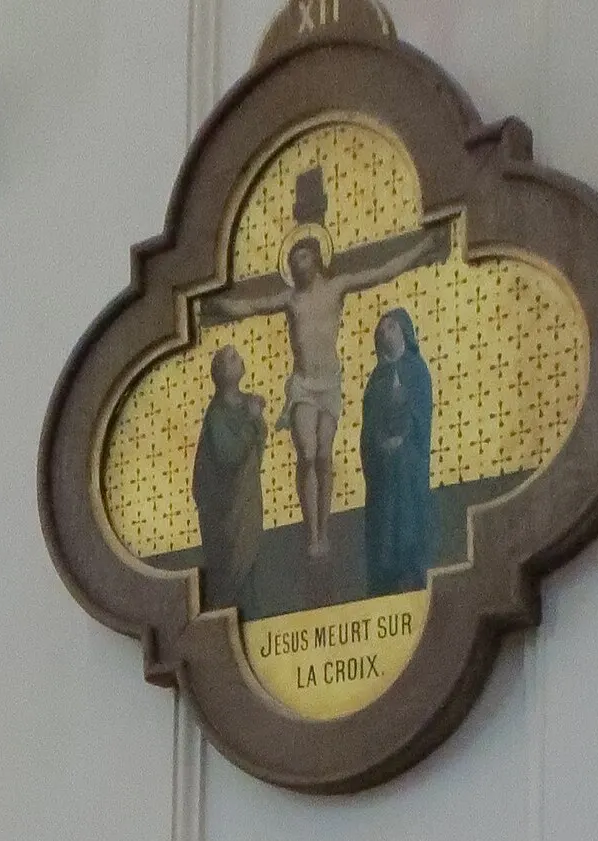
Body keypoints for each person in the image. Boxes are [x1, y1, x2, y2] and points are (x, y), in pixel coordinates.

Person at [202, 207, 448, 562]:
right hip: (303, 385)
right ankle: (312, 533)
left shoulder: (336, 287)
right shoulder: (291, 299)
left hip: (329, 383)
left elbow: (380, 271)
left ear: (316, 258)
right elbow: (252, 306)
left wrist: (423, 249)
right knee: (305, 453)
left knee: (323, 455)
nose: (297, 262)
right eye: (293, 258)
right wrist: (214, 304)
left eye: (302, 255)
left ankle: (325, 529)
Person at [360, 308, 436, 596]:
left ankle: (409, 570)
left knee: (407, 514)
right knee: (382, 522)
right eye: (380, 330)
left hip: (408, 463)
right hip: (382, 467)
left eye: (390, 327)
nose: (383, 332)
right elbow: (368, 425)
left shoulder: (416, 370)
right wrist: (380, 442)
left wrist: (402, 439)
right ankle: (385, 575)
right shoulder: (376, 379)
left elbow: (421, 414)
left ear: (404, 331)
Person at [191, 345, 268, 615]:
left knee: (251, 556)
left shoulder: (244, 402)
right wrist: (251, 419)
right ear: (222, 373)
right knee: (233, 563)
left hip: (247, 497)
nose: (240, 359)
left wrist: (256, 418)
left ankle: (252, 610)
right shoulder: (217, 415)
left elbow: (259, 439)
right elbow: (228, 454)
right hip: (227, 505)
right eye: (232, 358)